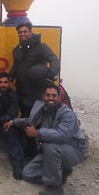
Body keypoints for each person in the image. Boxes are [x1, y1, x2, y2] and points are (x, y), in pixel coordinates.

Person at [4, 84, 86, 195]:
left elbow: (63, 135)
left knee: (49, 146)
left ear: (59, 97)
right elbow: (31, 121)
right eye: (48, 95)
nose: (51, 98)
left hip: (73, 150)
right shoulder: (43, 109)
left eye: (54, 95)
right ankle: (60, 173)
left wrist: (37, 133)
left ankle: (55, 187)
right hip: (52, 151)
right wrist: (13, 122)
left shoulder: (67, 113)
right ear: (43, 96)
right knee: (27, 174)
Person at [9, 22, 60, 157]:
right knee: (24, 119)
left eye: (25, 31)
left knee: (36, 121)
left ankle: (39, 153)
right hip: (21, 89)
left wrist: (51, 74)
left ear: (31, 32)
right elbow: (16, 67)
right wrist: (10, 78)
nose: (23, 34)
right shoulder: (17, 50)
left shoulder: (41, 47)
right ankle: (28, 150)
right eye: (20, 32)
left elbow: (54, 59)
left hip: (36, 91)